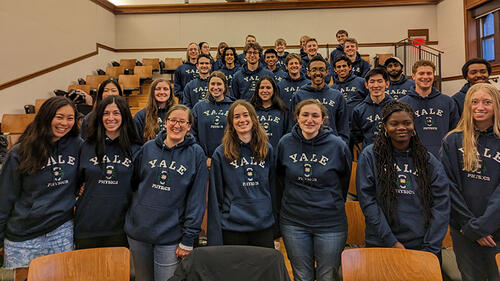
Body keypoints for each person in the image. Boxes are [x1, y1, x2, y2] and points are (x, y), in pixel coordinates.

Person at [0, 96, 82, 279]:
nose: (65, 123)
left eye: (70, 118)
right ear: (46, 117)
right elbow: (4, 199)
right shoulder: (20, 152)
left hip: (60, 230)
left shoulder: (77, 146)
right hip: (24, 234)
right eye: (59, 117)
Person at [356, 100, 450, 258]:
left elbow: (441, 205)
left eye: (407, 123)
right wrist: (391, 242)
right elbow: (368, 202)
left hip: (422, 244)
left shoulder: (427, 160)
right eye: (394, 123)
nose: (401, 128)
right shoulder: (370, 156)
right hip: (381, 242)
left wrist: (430, 248)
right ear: (385, 127)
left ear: (414, 126)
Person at [125, 104, 208, 281]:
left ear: (188, 126)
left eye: (182, 122)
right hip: (139, 234)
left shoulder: (196, 153)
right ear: (165, 122)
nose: (176, 125)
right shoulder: (148, 148)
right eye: (172, 120)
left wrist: (188, 238)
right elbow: (133, 184)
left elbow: (197, 199)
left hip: (171, 237)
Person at [276, 99, 351, 281]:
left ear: (323, 119)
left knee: (327, 276)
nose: (310, 120)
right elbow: (279, 179)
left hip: (330, 223)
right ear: (297, 117)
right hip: (294, 222)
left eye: (315, 116)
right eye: (305, 115)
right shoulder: (285, 143)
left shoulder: (337, 145)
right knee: (302, 276)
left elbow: (344, 181)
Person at [440, 83, 500, 281]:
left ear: (496, 106)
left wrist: (482, 226)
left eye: (487, 102)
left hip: (496, 229)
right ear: (467, 105)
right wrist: (469, 225)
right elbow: (448, 186)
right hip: (463, 229)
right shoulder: (452, 140)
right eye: (474, 102)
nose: (480, 107)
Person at [75, 96, 142, 249]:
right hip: (87, 226)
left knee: (116, 273)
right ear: (99, 117)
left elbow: (139, 187)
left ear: (124, 116)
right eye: (106, 113)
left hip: (121, 228)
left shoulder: (137, 149)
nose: (110, 118)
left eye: (116, 113)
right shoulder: (86, 146)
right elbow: (76, 182)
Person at [207, 100, 275, 248]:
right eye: (236, 116)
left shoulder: (267, 149)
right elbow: (216, 195)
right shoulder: (221, 153)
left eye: (246, 115)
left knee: (261, 270)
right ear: (231, 122)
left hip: (263, 224)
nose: (242, 120)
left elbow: (273, 187)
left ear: (253, 118)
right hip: (232, 226)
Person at [400, 60, 460, 157]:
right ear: (413, 76)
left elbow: (455, 131)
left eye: (429, 73)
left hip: (442, 157)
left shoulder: (448, 102)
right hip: (412, 157)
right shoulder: (402, 103)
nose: (425, 77)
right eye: (421, 73)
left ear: (433, 76)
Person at [291, 55, 349, 144]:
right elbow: (293, 125)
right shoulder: (299, 95)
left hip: (331, 146)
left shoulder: (337, 96)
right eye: (314, 70)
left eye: (321, 70)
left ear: (327, 72)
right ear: (308, 73)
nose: (318, 73)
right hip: (305, 145)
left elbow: (343, 128)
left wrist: (341, 147)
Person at [192, 71, 234, 168]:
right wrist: (203, 157)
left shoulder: (233, 106)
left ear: (225, 86)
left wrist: (231, 154)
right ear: (208, 86)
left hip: (229, 158)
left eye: (219, 84)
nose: (215, 87)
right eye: (212, 84)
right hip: (205, 160)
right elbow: (192, 134)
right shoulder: (199, 107)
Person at [351, 68, 393, 149]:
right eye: (372, 81)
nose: (376, 85)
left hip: (393, 155)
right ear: (366, 85)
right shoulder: (358, 110)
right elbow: (357, 136)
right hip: (370, 156)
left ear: (387, 84)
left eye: (380, 81)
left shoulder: (396, 107)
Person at [134, 78, 176, 143]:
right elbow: (135, 143)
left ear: (170, 92)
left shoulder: (177, 113)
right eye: (158, 89)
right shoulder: (141, 115)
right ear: (152, 92)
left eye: (165, 89)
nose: (162, 92)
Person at [251, 76, 289, 148]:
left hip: (277, 155)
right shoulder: (251, 111)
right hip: (255, 154)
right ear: (257, 90)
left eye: (268, 88)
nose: (265, 91)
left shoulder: (283, 111)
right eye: (262, 88)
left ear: (274, 90)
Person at [332, 55, 368, 122]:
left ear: (350, 67)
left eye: (344, 66)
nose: (342, 69)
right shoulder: (332, 88)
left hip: (360, 123)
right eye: (338, 67)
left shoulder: (361, 82)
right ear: (335, 69)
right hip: (342, 125)